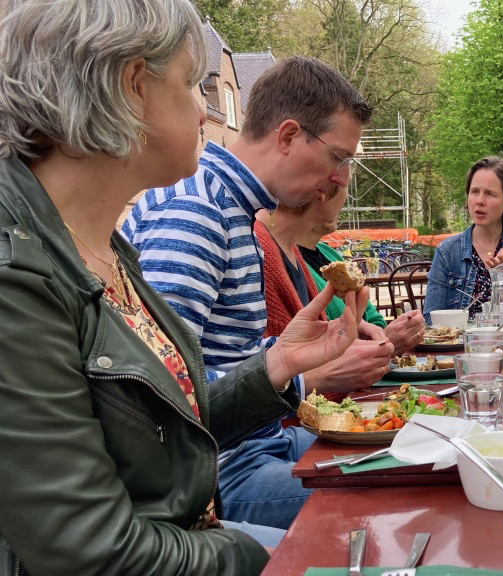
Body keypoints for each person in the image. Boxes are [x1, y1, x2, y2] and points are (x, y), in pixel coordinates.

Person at [0, 1, 365, 574]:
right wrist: (268, 556)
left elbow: (157, 427)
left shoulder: (98, 247)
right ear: (132, 86)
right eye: (193, 84)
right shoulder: (17, 272)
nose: (205, 112)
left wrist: (277, 367)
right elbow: (88, 551)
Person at [122, 56, 386, 529]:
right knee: (385, 502)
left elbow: (208, 355)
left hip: (258, 445)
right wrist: (297, 374)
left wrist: (295, 352)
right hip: (223, 474)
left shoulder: (230, 210)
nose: (341, 178)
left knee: (406, 452)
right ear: (287, 136)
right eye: (338, 157)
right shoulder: (197, 213)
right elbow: (157, 393)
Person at [255, 184, 424, 355]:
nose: (346, 195)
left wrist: (378, 335)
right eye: (343, 185)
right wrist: (383, 342)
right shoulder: (271, 256)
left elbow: (372, 319)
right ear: (320, 194)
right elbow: (313, 347)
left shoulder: (329, 254)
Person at [423, 155, 503, 322]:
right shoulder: (447, 251)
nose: (479, 201)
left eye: (490, 194)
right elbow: (430, 318)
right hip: (460, 346)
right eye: (474, 192)